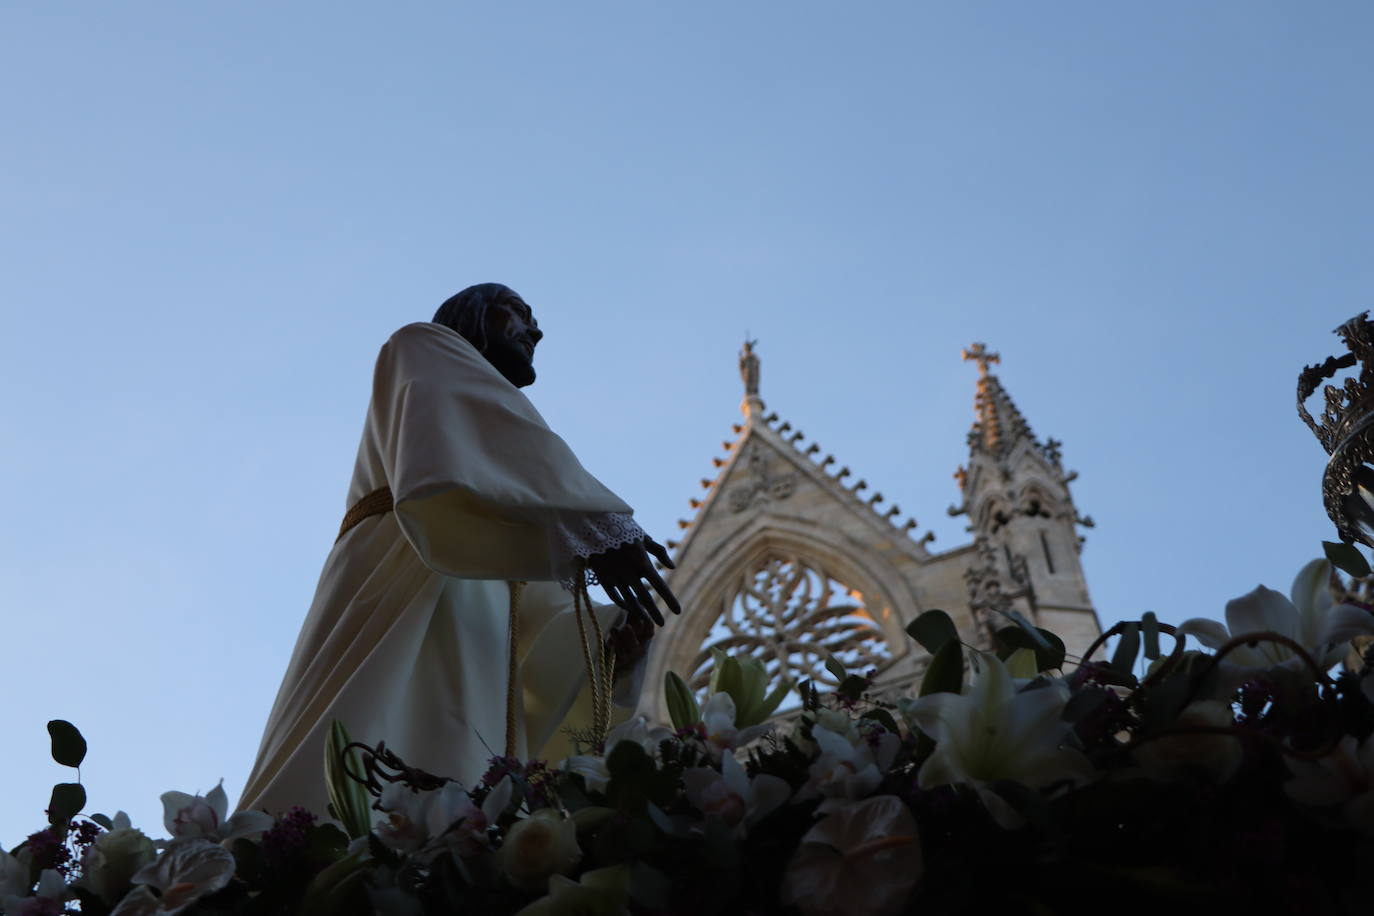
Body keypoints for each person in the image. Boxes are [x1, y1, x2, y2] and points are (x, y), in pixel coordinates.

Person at [237, 283, 679, 817]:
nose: (535, 330)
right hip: (400, 574)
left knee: (464, 772)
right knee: (361, 740)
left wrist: (605, 636)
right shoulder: (420, 347)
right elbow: (471, 427)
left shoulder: (497, 527)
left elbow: (533, 619)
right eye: (516, 312)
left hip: (474, 642)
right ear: (470, 316)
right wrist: (595, 524)